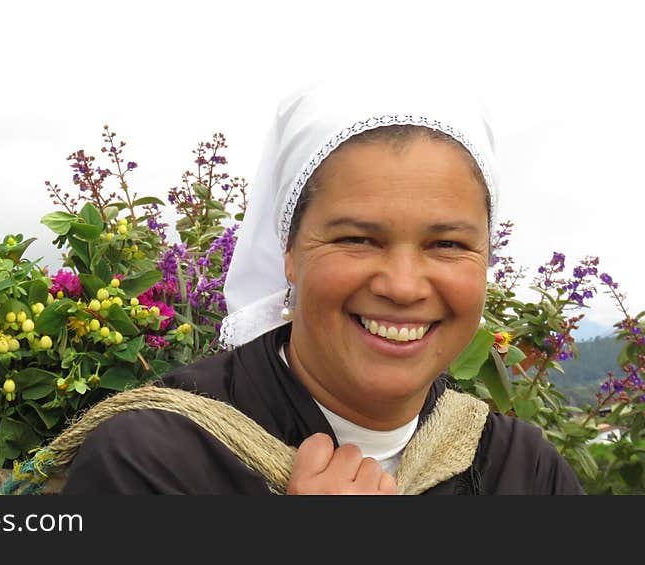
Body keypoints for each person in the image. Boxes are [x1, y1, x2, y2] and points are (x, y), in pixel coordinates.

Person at [59, 78, 585, 495]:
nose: (403, 287)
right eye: (358, 238)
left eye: (447, 244)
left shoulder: (523, 470)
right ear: (289, 251)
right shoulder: (154, 461)